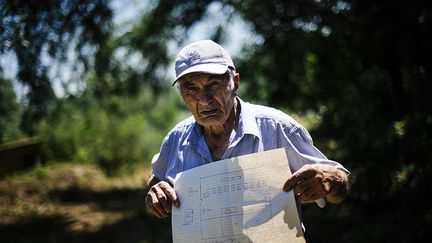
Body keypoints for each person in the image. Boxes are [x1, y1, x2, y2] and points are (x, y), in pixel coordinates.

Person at [145, 39, 349, 219]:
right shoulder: (176, 138)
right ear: (182, 94)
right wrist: (155, 191)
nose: (205, 100)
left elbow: (339, 188)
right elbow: (157, 176)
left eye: (213, 84)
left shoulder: (277, 127)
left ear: (235, 83)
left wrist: (332, 179)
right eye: (192, 89)